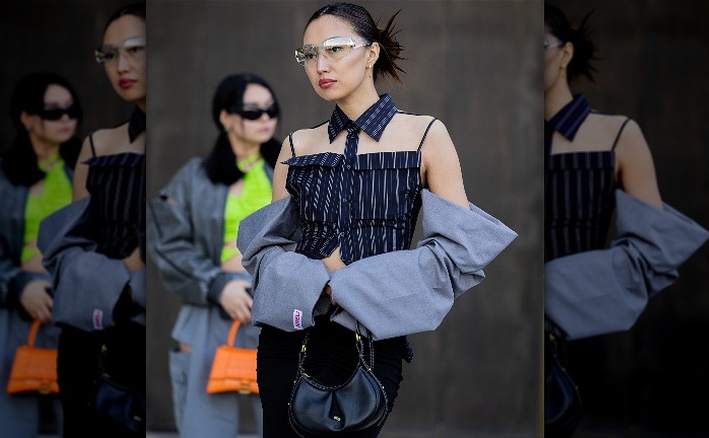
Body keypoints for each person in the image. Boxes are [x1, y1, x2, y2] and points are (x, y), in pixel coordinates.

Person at [235, 2, 517, 436]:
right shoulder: (296, 145)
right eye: (308, 54)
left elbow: (458, 251)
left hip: (372, 338)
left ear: (371, 53)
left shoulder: (424, 134)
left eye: (334, 48)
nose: (320, 65)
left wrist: (346, 284)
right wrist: (317, 284)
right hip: (290, 337)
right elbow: (268, 253)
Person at [543, 4, 709, 437]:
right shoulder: (493, 136)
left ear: (565, 53)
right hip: (503, 334)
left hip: (580, 325)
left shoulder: (618, 134)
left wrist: (556, 286)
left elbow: (654, 251)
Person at [0, 71, 83, 437]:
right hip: (11, 311)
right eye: (53, 112)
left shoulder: (87, 171)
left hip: (75, 314)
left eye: (71, 110)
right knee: (6, 424)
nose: (66, 118)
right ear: (26, 117)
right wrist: (17, 284)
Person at [148, 73, 281, 437]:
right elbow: (168, 242)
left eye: (271, 110)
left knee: (284, 421)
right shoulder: (195, 176)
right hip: (210, 306)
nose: (266, 118)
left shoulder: (290, 174)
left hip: (279, 312)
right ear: (225, 117)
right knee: (204, 425)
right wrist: (217, 284)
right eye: (252, 112)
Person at [37, 2, 146, 436]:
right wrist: (107, 277)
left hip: (145, 320)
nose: (122, 65)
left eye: (136, 49)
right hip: (90, 322)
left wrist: (134, 272)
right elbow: (71, 239)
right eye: (110, 54)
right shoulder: (98, 143)